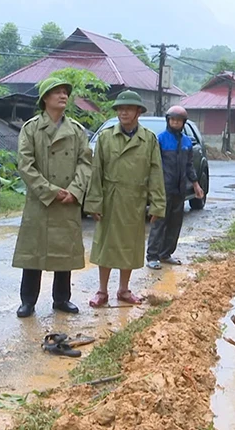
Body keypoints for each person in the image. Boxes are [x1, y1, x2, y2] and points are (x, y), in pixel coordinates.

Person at [13, 77, 92, 318]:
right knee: (33, 253)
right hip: (41, 200)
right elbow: (25, 165)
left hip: (68, 199)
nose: (63, 96)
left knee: (64, 253)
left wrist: (76, 191)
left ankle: (62, 299)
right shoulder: (31, 129)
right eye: (57, 92)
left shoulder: (77, 131)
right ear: (45, 98)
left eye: (65, 92)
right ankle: (28, 301)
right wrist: (49, 190)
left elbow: (86, 163)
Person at [84, 90, 166, 307]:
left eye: (128, 108)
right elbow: (96, 171)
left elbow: (156, 173)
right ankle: (102, 291)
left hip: (134, 201)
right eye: (120, 108)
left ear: (138, 112)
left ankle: (124, 289)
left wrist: (157, 205)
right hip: (110, 199)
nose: (123, 112)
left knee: (129, 246)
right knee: (105, 246)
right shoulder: (105, 137)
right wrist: (94, 202)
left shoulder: (148, 140)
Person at [146, 105, 204, 270]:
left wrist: (196, 185)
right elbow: (153, 165)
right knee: (159, 222)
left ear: (183, 122)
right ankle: (152, 256)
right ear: (168, 120)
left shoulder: (186, 142)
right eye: (173, 119)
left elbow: (189, 165)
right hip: (163, 189)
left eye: (178, 120)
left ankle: (166, 254)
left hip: (180, 190)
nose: (175, 122)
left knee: (175, 223)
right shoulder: (160, 139)